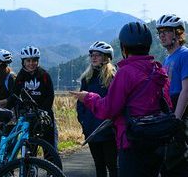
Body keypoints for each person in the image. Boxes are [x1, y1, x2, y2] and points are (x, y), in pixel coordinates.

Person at [70, 22, 172, 177]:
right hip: (158, 140)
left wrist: (88, 97)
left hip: (132, 141)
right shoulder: (158, 69)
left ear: (124, 48)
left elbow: (109, 108)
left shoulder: (125, 73)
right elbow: (167, 104)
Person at [77, 41, 118, 177]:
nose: (94, 58)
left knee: (113, 166)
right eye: (92, 55)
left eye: (98, 55)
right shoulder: (86, 79)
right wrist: (83, 121)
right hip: (91, 130)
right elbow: (80, 104)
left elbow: (114, 104)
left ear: (106, 57)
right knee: (99, 167)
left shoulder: (112, 78)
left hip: (108, 131)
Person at [156, 14, 188, 176]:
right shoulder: (167, 59)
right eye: (160, 31)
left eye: (166, 31)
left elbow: (186, 90)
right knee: (167, 165)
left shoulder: (185, 54)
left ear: (178, 33)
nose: (162, 35)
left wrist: (176, 119)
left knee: (179, 164)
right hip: (169, 112)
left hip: (181, 112)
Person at [8, 45, 57, 150]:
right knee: (30, 146)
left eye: (34, 60)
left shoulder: (44, 75)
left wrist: (43, 110)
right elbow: (15, 94)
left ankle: (51, 166)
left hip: (44, 115)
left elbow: (50, 95)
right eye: (28, 61)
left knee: (49, 147)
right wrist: (8, 107)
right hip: (29, 116)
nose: (31, 63)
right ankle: (30, 166)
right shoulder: (21, 76)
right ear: (23, 62)